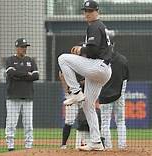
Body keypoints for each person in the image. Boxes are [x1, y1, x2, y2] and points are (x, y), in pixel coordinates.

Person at [58, 0, 112, 151]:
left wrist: (82, 49)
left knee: (62, 58)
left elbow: (93, 51)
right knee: (88, 106)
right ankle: (96, 142)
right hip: (103, 70)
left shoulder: (95, 26)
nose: (87, 13)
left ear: (97, 11)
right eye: (85, 11)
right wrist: (84, 50)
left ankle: (75, 92)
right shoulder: (100, 27)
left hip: (98, 66)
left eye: (90, 10)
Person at [5, 38, 39, 151]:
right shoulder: (10, 59)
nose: (24, 49)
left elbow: (36, 76)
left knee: (28, 124)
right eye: (22, 47)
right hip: (13, 97)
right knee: (11, 123)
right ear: (17, 47)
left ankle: (28, 146)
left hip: (28, 97)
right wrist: (27, 74)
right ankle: (10, 146)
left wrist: (19, 74)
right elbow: (11, 73)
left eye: (25, 47)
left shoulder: (31, 60)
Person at [99, 51, 129, 150]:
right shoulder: (122, 59)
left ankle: (108, 147)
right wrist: (121, 94)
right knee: (120, 121)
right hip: (119, 95)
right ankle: (122, 145)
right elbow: (125, 79)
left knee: (105, 123)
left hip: (105, 95)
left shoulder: (100, 59)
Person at [59, 71, 81, 149]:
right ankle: (63, 144)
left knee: (87, 119)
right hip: (71, 95)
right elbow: (61, 74)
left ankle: (87, 142)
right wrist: (66, 89)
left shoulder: (83, 63)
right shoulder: (66, 63)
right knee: (69, 121)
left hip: (83, 95)